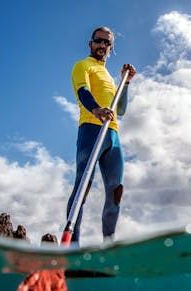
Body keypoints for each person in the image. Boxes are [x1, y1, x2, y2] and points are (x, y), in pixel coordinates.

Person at [66, 26, 136, 244]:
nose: (102, 46)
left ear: (110, 48)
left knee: (116, 192)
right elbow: (82, 92)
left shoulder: (108, 75)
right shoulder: (82, 65)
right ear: (91, 43)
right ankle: (72, 247)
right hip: (91, 129)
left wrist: (125, 83)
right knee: (83, 186)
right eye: (99, 41)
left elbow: (121, 109)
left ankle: (108, 244)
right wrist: (96, 110)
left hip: (112, 134)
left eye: (107, 43)